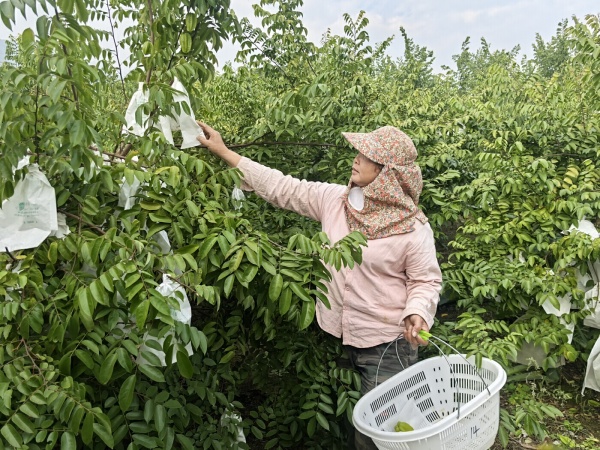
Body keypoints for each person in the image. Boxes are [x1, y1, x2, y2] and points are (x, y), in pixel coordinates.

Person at [196, 122, 442, 449]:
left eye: (366, 156)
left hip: (387, 343)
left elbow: (425, 280)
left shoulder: (413, 229)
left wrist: (417, 313)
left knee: (381, 432)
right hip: (335, 330)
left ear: (387, 173)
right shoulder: (335, 200)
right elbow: (282, 187)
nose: (356, 159)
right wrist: (225, 152)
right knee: (348, 416)